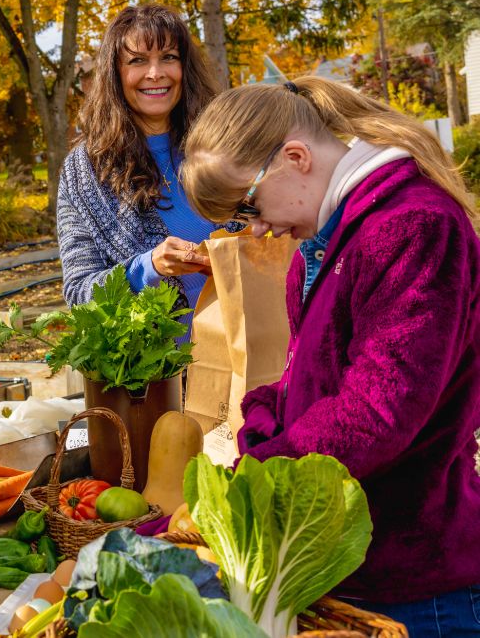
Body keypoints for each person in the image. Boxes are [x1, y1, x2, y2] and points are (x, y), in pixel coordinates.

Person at [180, 76, 480, 636]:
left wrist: (259, 473)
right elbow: (313, 378)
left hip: (417, 583)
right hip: (350, 559)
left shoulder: (414, 227)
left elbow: (376, 413)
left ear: (294, 157)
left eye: (249, 208)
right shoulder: (318, 250)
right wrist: (266, 409)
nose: (259, 229)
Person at [56, 4, 236, 328]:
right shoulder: (85, 173)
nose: (155, 73)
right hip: (164, 371)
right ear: (116, 73)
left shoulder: (224, 143)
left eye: (168, 57)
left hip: (252, 354)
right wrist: (149, 266)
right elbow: (80, 293)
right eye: (138, 60)